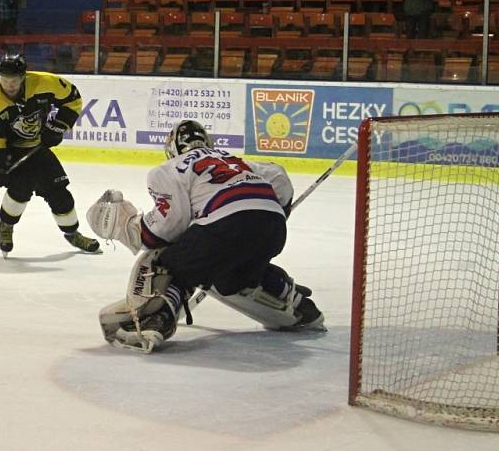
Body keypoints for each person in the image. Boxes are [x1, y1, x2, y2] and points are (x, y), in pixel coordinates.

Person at [86, 120, 325, 353]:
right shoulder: (234, 160)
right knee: (230, 277)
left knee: (167, 260)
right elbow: (279, 177)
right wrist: (273, 213)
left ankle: (155, 320)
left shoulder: (168, 168)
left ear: (172, 149)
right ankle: (298, 305)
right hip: (272, 228)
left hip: (225, 224)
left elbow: (168, 226)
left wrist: (130, 228)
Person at [0, 54, 100, 256]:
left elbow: (73, 99)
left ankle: (73, 234)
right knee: (20, 189)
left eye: (14, 80)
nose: (9, 85)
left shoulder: (44, 82)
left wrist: (58, 127)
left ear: (23, 77)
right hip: (11, 150)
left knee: (60, 193)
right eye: (4, 80)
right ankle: (6, 226)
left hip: (37, 146)